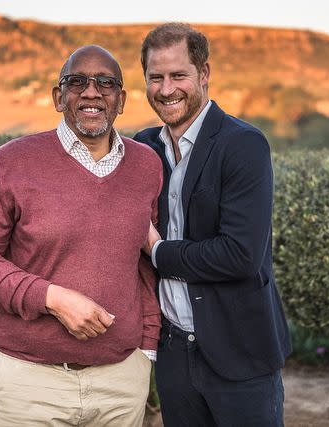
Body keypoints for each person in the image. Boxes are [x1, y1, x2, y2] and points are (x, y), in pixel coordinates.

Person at [0, 45, 162, 426]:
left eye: (106, 83)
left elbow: (145, 264)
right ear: (57, 97)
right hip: (29, 385)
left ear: (122, 100)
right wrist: (51, 298)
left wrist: (145, 350)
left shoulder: (146, 165)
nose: (92, 92)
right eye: (76, 81)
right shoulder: (11, 162)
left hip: (121, 384)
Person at [134, 23, 292, 426]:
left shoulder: (243, 144)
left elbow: (239, 255)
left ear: (204, 74)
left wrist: (159, 250)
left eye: (178, 75)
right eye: (156, 77)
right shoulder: (143, 148)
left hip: (240, 352)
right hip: (172, 355)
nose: (167, 89)